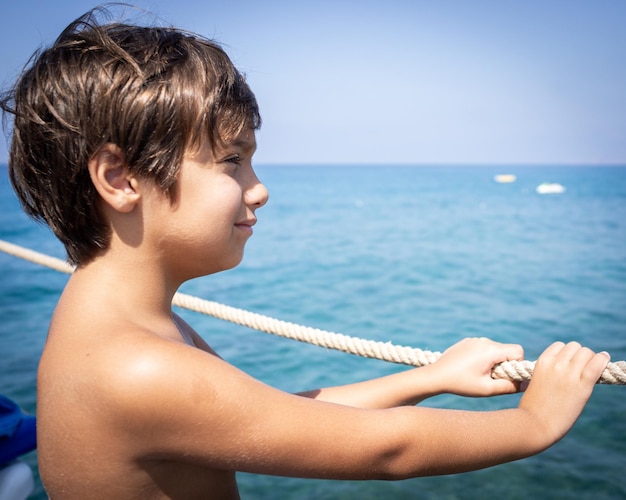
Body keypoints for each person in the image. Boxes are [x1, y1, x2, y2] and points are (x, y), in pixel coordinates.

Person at [0, 6, 610, 499]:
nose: (258, 188)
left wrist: (432, 377)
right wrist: (535, 426)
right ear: (121, 178)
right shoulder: (138, 367)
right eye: (231, 161)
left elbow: (275, 415)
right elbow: (386, 449)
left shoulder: (114, 325)